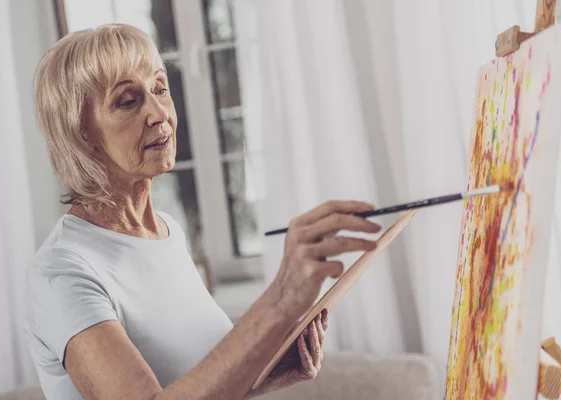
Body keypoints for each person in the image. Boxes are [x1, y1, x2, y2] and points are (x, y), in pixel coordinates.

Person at [24, 23, 383, 400]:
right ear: (81, 133)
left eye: (160, 89)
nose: (159, 112)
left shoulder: (167, 232)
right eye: (128, 101)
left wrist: (268, 370)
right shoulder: (62, 272)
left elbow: (192, 382)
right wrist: (280, 300)